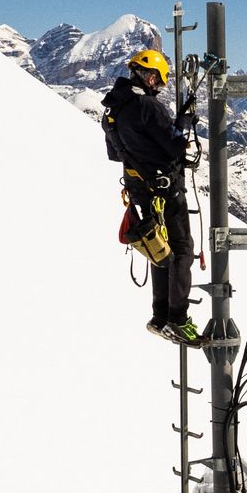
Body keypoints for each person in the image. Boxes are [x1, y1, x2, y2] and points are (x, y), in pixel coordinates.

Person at [101, 48, 199, 345]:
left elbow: (113, 152)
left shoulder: (113, 110)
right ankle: (178, 319)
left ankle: (160, 316)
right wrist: (181, 124)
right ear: (150, 76)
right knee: (182, 250)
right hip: (166, 191)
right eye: (157, 81)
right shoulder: (148, 107)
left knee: (160, 251)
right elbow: (176, 147)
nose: (157, 87)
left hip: (140, 193)